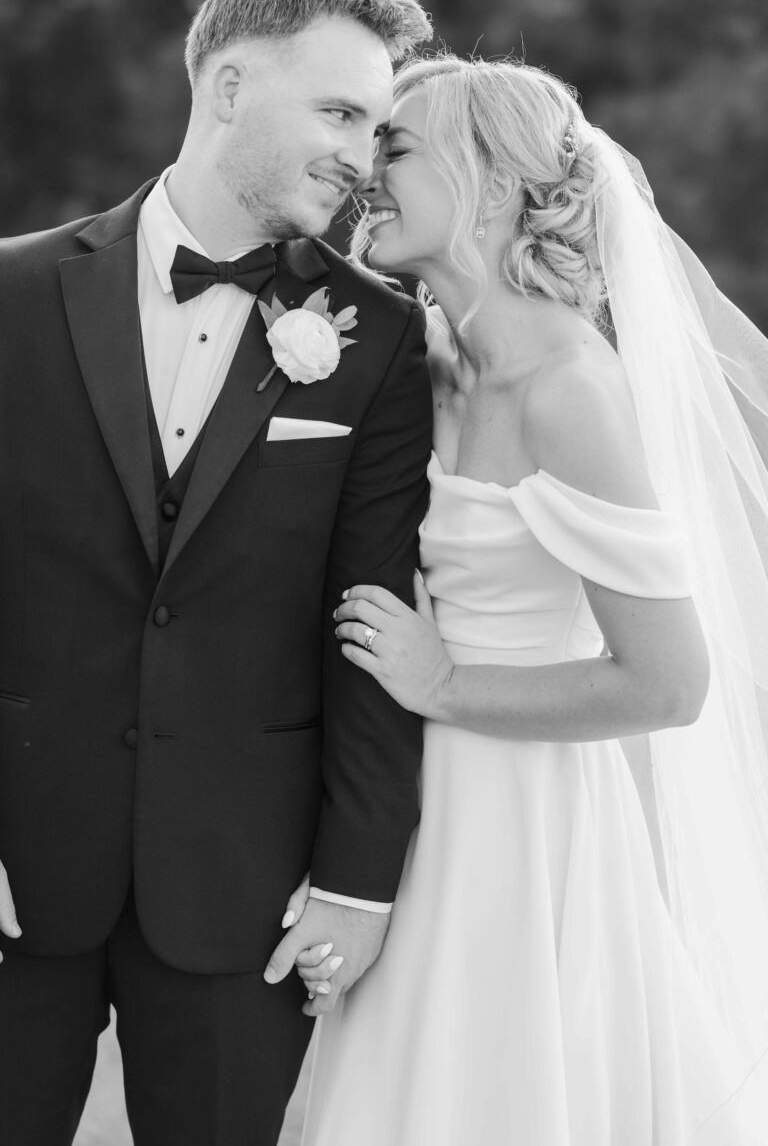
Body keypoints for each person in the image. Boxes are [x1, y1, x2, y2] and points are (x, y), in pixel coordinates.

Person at [289, 57, 768, 1144]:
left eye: (399, 145)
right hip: (403, 805)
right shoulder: (423, 358)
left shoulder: (570, 393)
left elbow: (668, 679)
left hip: (519, 824)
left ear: (494, 184)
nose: (371, 168)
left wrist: (445, 677)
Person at [0, 0, 434, 1143]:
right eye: (338, 110)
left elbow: (374, 618)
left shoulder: (380, 337)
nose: (359, 156)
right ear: (230, 89)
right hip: (15, 861)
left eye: (377, 128)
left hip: (244, 886)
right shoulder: (10, 293)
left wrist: (357, 880)